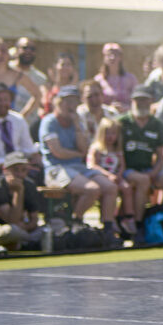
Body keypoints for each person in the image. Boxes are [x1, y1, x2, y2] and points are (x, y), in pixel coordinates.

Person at [40, 85, 119, 241]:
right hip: (57, 169)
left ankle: (108, 230)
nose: (71, 106)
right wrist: (77, 154)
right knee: (92, 189)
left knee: (110, 187)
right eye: (67, 101)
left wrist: (76, 125)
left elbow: (84, 149)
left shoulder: (77, 122)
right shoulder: (49, 122)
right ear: (58, 103)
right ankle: (75, 223)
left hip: (79, 168)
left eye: (74, 102)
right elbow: (58, 152)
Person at [119, 88, 163, 218]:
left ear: (151, 101)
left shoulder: (157, 125)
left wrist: (154, 172)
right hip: (126, 169)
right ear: (132, 101)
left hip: (148, 168)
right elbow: (115, 150)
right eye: (138, 100)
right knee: (143, 180)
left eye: (145, 100)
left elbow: (161, 155)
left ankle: (161, 218)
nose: (141, 103)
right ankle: (139, 222)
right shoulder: (122, 122)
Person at [0, 151, 47, 251]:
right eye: (15, 170)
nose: (20, 174)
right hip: (1, 229)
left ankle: (24, 243)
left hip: (24, 229)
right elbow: (12, 221)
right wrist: (18, 191)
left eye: (23, 170)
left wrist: (26, 227)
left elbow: (34, 220)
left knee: (48, 229)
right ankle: (28, 243)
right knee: (12, 231)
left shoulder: (30, 185)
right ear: (5, 170)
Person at [88, 116, 136, 237]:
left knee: (126, 188)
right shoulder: (97, 148)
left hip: (116, 176)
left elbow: (122, 165)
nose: (110, 137)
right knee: (111, 189)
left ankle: (128, 217)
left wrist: (118, 175)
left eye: (113, 133)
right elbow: (93, 165)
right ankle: (109, 218)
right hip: (102, 177)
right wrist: (108, 175)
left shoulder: (117, 150)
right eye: (107, 133)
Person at [0, 82, 40, 175]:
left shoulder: (18, 119)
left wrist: (33, 159)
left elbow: (28, 148)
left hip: (22, 165)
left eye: (6, 99)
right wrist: (16, 165)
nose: (3, 103)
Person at [95, 42, 139, 108]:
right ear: (104, 57)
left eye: (115, 54)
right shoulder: (98, 80)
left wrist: (125, 107)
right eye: (109, 55)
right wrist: (109, 108)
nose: (112, 57)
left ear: (120, 57)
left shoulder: (130, 79)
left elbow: (137, 100)